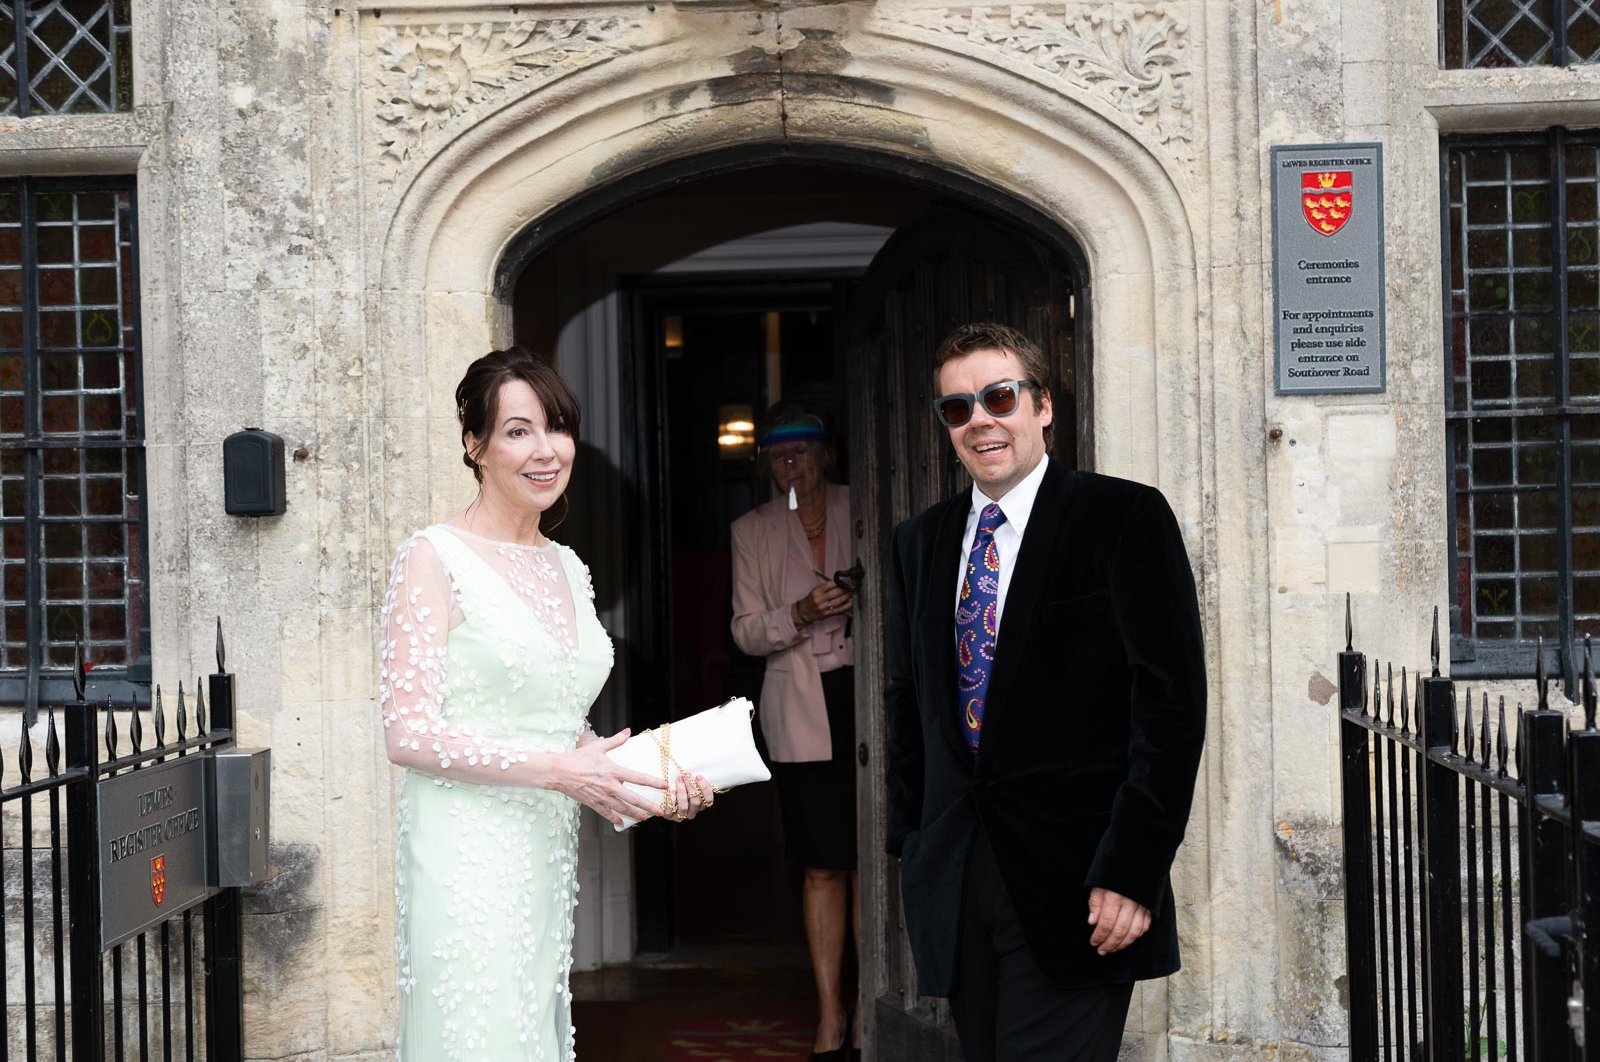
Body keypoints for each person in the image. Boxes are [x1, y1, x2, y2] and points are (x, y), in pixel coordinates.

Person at [884, 323, 1207, 1062]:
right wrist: (913, 839)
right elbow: (908, 700)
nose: (980, 421)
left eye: (999, 397)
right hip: (960, 885)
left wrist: (1134, 871)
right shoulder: (920, 541)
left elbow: (1172, 708)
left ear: (1043, 406)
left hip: (1082, 886)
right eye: (958, 408)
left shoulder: (1123, 518)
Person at [379, 346, 711, 1061]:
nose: (546, 451)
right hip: (462, 849)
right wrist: (563, 772)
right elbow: (407, 734)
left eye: (557, 428)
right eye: (518, 430)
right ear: (475, 444)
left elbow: (564, 727)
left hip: (543, 852)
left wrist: (657, 784)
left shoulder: (568, 565)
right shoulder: (431, 557)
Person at [729, 405, 859, 1061]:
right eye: (779, 457)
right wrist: (801, 611)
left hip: (865, 694)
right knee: (823, 864)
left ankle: (879, 1009)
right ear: (766, 465)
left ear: (823, 454)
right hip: (802, 705)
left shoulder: (860, 503)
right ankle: (832, 1015)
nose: (792, 466)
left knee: (876, 860)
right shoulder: (751, 531)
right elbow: (746, 631)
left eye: (802, 453)